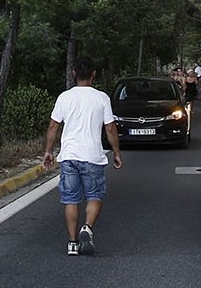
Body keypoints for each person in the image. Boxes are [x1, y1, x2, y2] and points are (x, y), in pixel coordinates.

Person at [42, 56, 123, 256]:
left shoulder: (64, 97)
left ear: (74, 74)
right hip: (92, 156)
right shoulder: (102, 98)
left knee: (70, 199)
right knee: (94, 195)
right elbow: (110, 128)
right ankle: (87, 227)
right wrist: (116, 153)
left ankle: (72, 243)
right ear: (94, 75)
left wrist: (48, 151)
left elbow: (53, 126)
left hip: (69, 155)